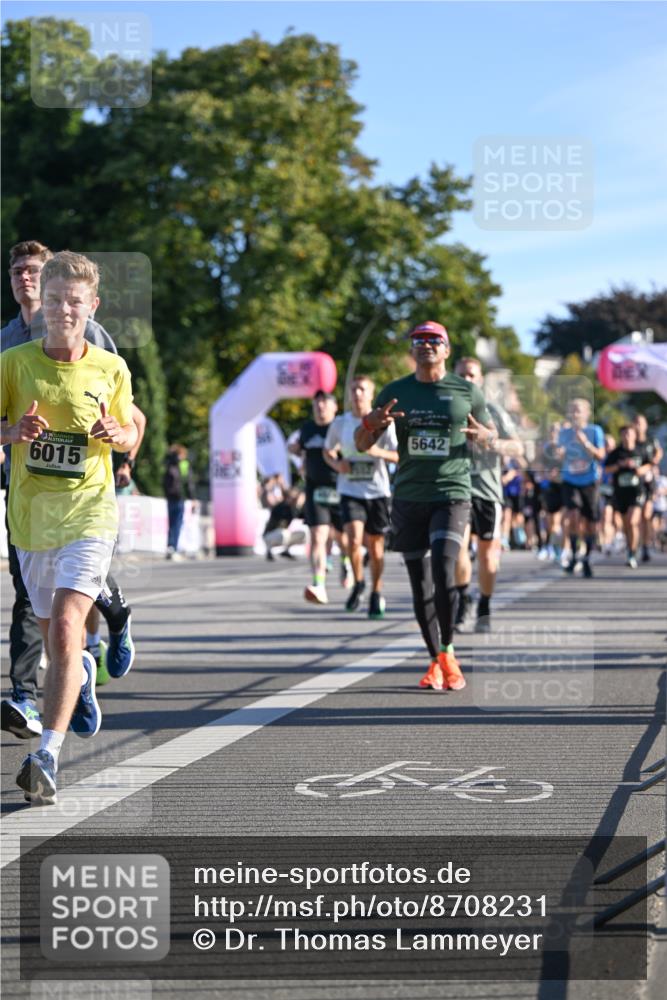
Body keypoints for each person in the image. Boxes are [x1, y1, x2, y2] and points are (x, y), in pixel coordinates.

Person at [1, 251, 137, 803]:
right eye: (53, 299)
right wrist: (13, 432)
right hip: (32, 518)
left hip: (90, 511)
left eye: (73, 302)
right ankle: (78, 668)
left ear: (92, 307)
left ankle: (46, 756)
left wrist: (117, 433)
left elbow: (131, 430)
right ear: (42, 304)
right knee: (62, 643)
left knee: (62, 625)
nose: (62, 309)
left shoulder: (111, 368)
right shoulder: (13, 363)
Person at [354, 320, 495, 691]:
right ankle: (436, 659)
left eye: (435, 340)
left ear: (446, 349)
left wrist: (485, 437)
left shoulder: (467, 392)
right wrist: (370, 423)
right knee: (420, 585)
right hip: (408, 497)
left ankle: (448, 650)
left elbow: (491, 435)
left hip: (452, 492)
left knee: (445, 568)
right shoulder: (396, 391)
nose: (427, 345)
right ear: (412, 349)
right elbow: (361, 444)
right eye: (419, 340)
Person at [453, 357, 524, 633]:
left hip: (487, 490)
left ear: (480, 379)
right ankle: (462, 599)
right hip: (456, 488)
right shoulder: (446, 411)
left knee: (487, 557)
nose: (467, 380)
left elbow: (518, 448)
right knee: (457, 546)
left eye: (471, 375)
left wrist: (489, 439)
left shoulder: (493, 411)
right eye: (461, 375)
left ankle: (484, 602)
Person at [323, 375, 398, 618]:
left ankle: (376, 591)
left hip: (377, 491)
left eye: (362, 389)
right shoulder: (340, 423)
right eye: (353, 389)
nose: (357, 394)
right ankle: (358, 582)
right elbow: (327, 451)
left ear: (371, 393)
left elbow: (398, 456)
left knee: (376, 549)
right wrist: (337, 465)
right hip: (349, 490)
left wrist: (377, 451)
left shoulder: (384, 422)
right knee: (354, 540)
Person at [290, 390, 351, 605]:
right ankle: (319, 584)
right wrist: (297, 452)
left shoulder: (341, 427)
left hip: (340, 487)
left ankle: (346, 561)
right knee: (317, 536)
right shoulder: (307, 429)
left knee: (343, 539)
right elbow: (302, 451)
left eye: (325, 403)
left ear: (335, 408)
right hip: (314, 488)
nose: (320, 407)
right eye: (317, 404)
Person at [557, 398, 605, 578]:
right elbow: (559, 456)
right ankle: (575, 554)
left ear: (587, 413)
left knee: (591, 523)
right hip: (570, 480)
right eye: (572, 410)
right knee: (573, 516)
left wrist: (585, 442)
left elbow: (601, 455)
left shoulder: (595, 431)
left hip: (590, 481)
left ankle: (587, 557)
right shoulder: (564, 432)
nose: (575, 414)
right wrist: (557, 452)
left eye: (578, 410)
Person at [604, 425, 653, 568]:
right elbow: (606, 468)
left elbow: (649, 465)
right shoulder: (616, 453)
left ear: (634, 435)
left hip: (637, 491)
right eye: (624, 434)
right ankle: (630, 549)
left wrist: (639, 469)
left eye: (629, 434)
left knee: (633, 521)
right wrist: (619, 466)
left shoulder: (640, 450)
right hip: (620, 492)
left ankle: (633, 552)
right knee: (626, 525)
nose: (627, 437)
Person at [632, 413, 664, 562]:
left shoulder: (651, 441)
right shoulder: (630, 441)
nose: (638, 425)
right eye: (636, 422)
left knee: (646, 515)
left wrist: (652, 463)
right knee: (635, 518)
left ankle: (645, 546)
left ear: (645, 425)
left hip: (648, 483)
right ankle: (634, 544)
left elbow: (659, 453)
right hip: (633, 484)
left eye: (640, 422)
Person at [163, 444, 196, 560]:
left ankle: (170, 547)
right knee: (177, 523)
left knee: (171, 523)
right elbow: (189, 483)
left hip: (170, 497)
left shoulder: (168, 463)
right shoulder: (184, 464)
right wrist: (192, 498)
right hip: (179, 497)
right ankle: (174, 548)